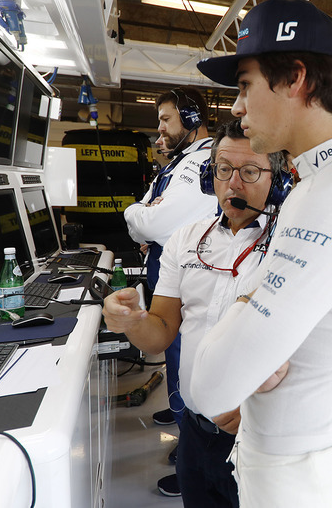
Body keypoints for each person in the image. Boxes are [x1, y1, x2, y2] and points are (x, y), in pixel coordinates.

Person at [193, 0, 332, 507]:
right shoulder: (325, 183)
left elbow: (209, 387)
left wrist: (240, 321)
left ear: (296, 79)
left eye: (245, 85)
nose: (236, 106)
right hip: (303, 460)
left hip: (303, 482)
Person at [103, 120, 288, 507]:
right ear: (209, 175)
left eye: (250, 171)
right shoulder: (187, 240)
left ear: (278, 179)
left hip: (260, 440)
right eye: (223, 169)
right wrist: (133, 321)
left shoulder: (291, 247)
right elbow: (163, 329)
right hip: (195, 430)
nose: (233, 184)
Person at [122, 86, 218, 496]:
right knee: (174, 359)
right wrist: (144, 215)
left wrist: (138, 215)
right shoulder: (181, 162)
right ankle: (186, 431)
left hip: (188, 278)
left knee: (183, 360)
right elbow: (147, 214)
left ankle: (193, 455)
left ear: (192, 119)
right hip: (167, 268)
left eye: (165, 119)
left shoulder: (201, 166)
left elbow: (148, 223)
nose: (159, 128)